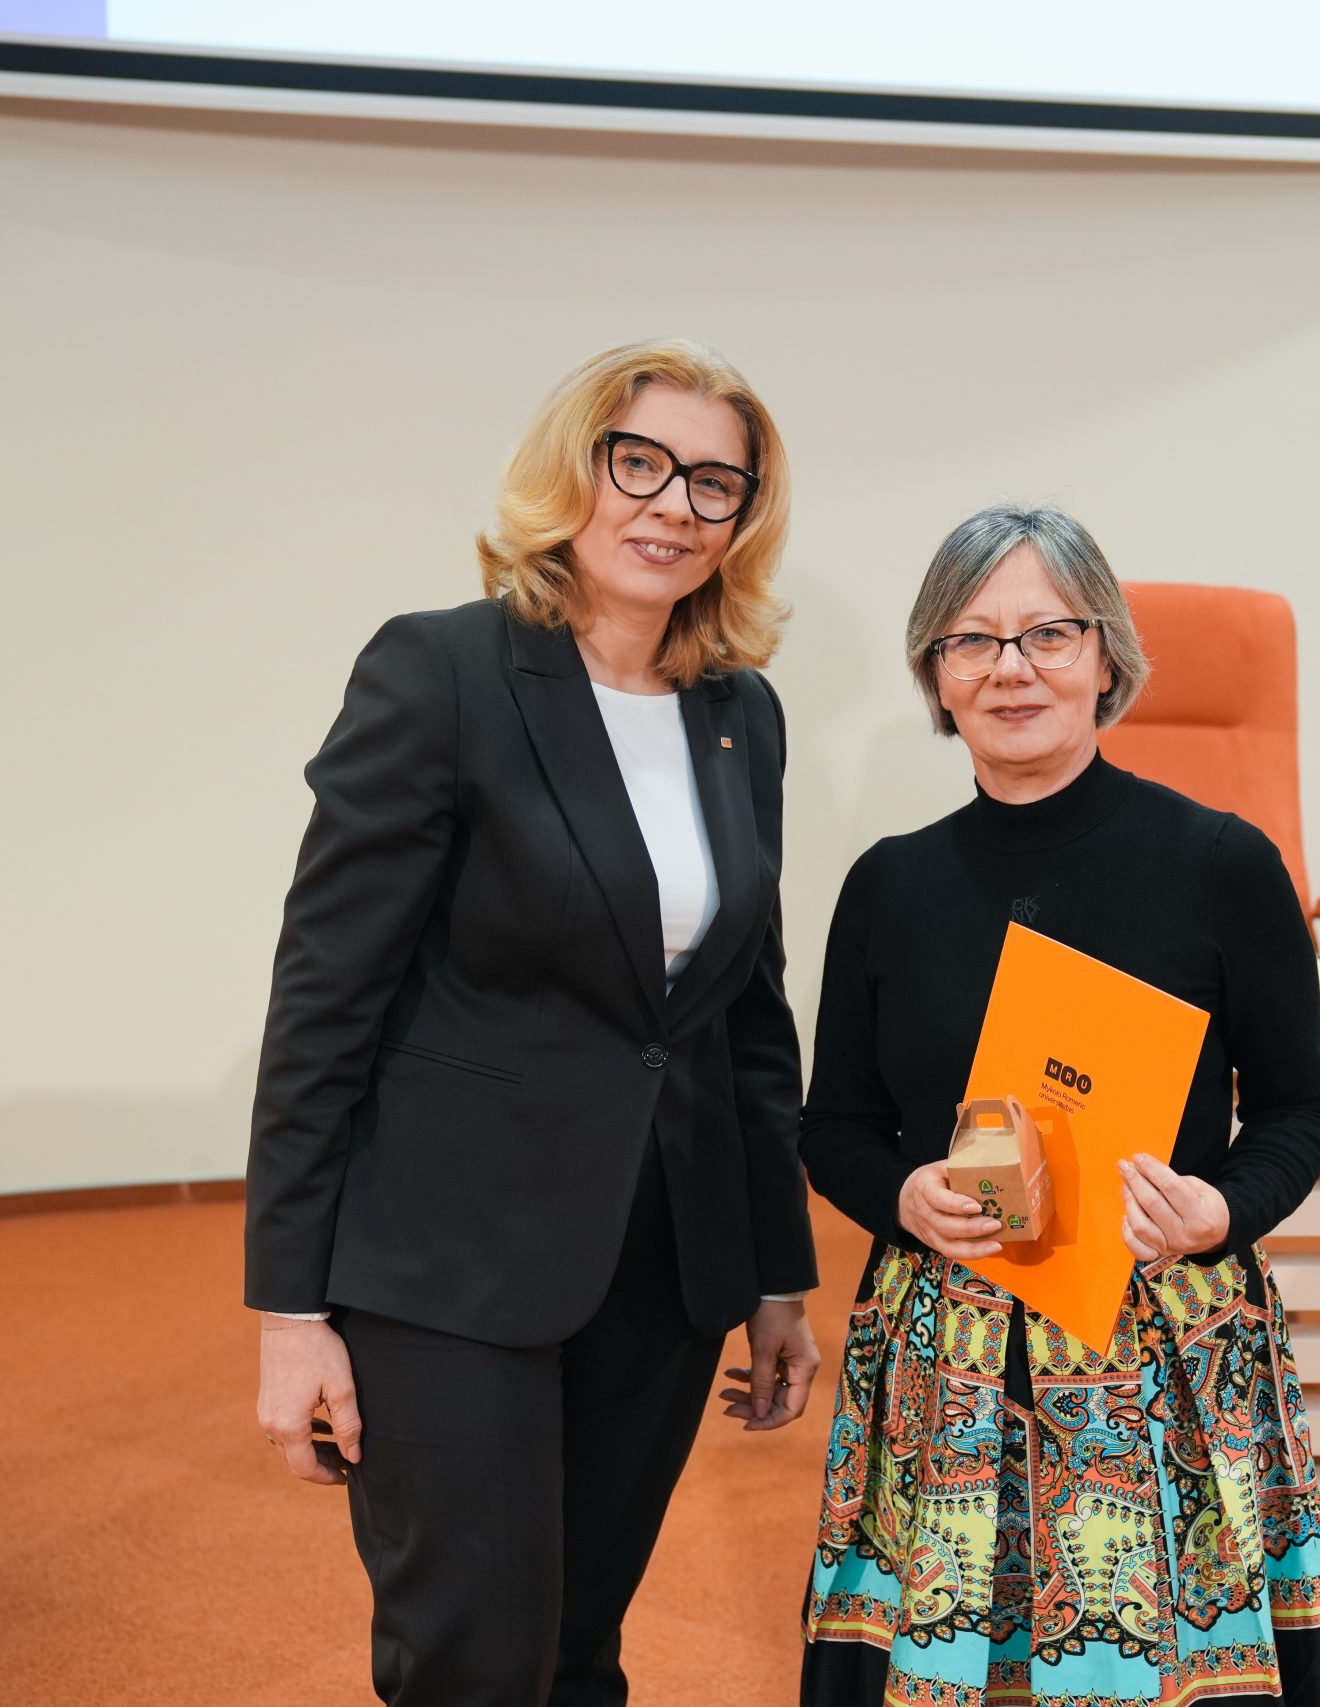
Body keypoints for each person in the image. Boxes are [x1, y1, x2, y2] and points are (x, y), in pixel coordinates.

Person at [245, 339, 822, 1706]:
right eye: (642, 463)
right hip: (450, 1261)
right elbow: (324, 997)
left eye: (716, 484)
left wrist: (775, 1273)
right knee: (475, 1662)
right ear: (575, 469)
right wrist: (288, 1308)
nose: (674, 505)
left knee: (575, 1651)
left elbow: (745, 1010)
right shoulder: (441, 671)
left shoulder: (740, 713)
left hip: (663, 1260)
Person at [796, 504, 1320, 1706]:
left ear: (1105, 658)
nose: (1010, 668)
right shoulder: (888, 885)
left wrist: (1221, 1211)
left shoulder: (1221, 864)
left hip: (1159, 1344)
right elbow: (831, 1126)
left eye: (1047, 633)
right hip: (945, 1352)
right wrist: (901, 1194)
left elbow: (1301, 1112)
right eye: (970, 639)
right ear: (936, 674)